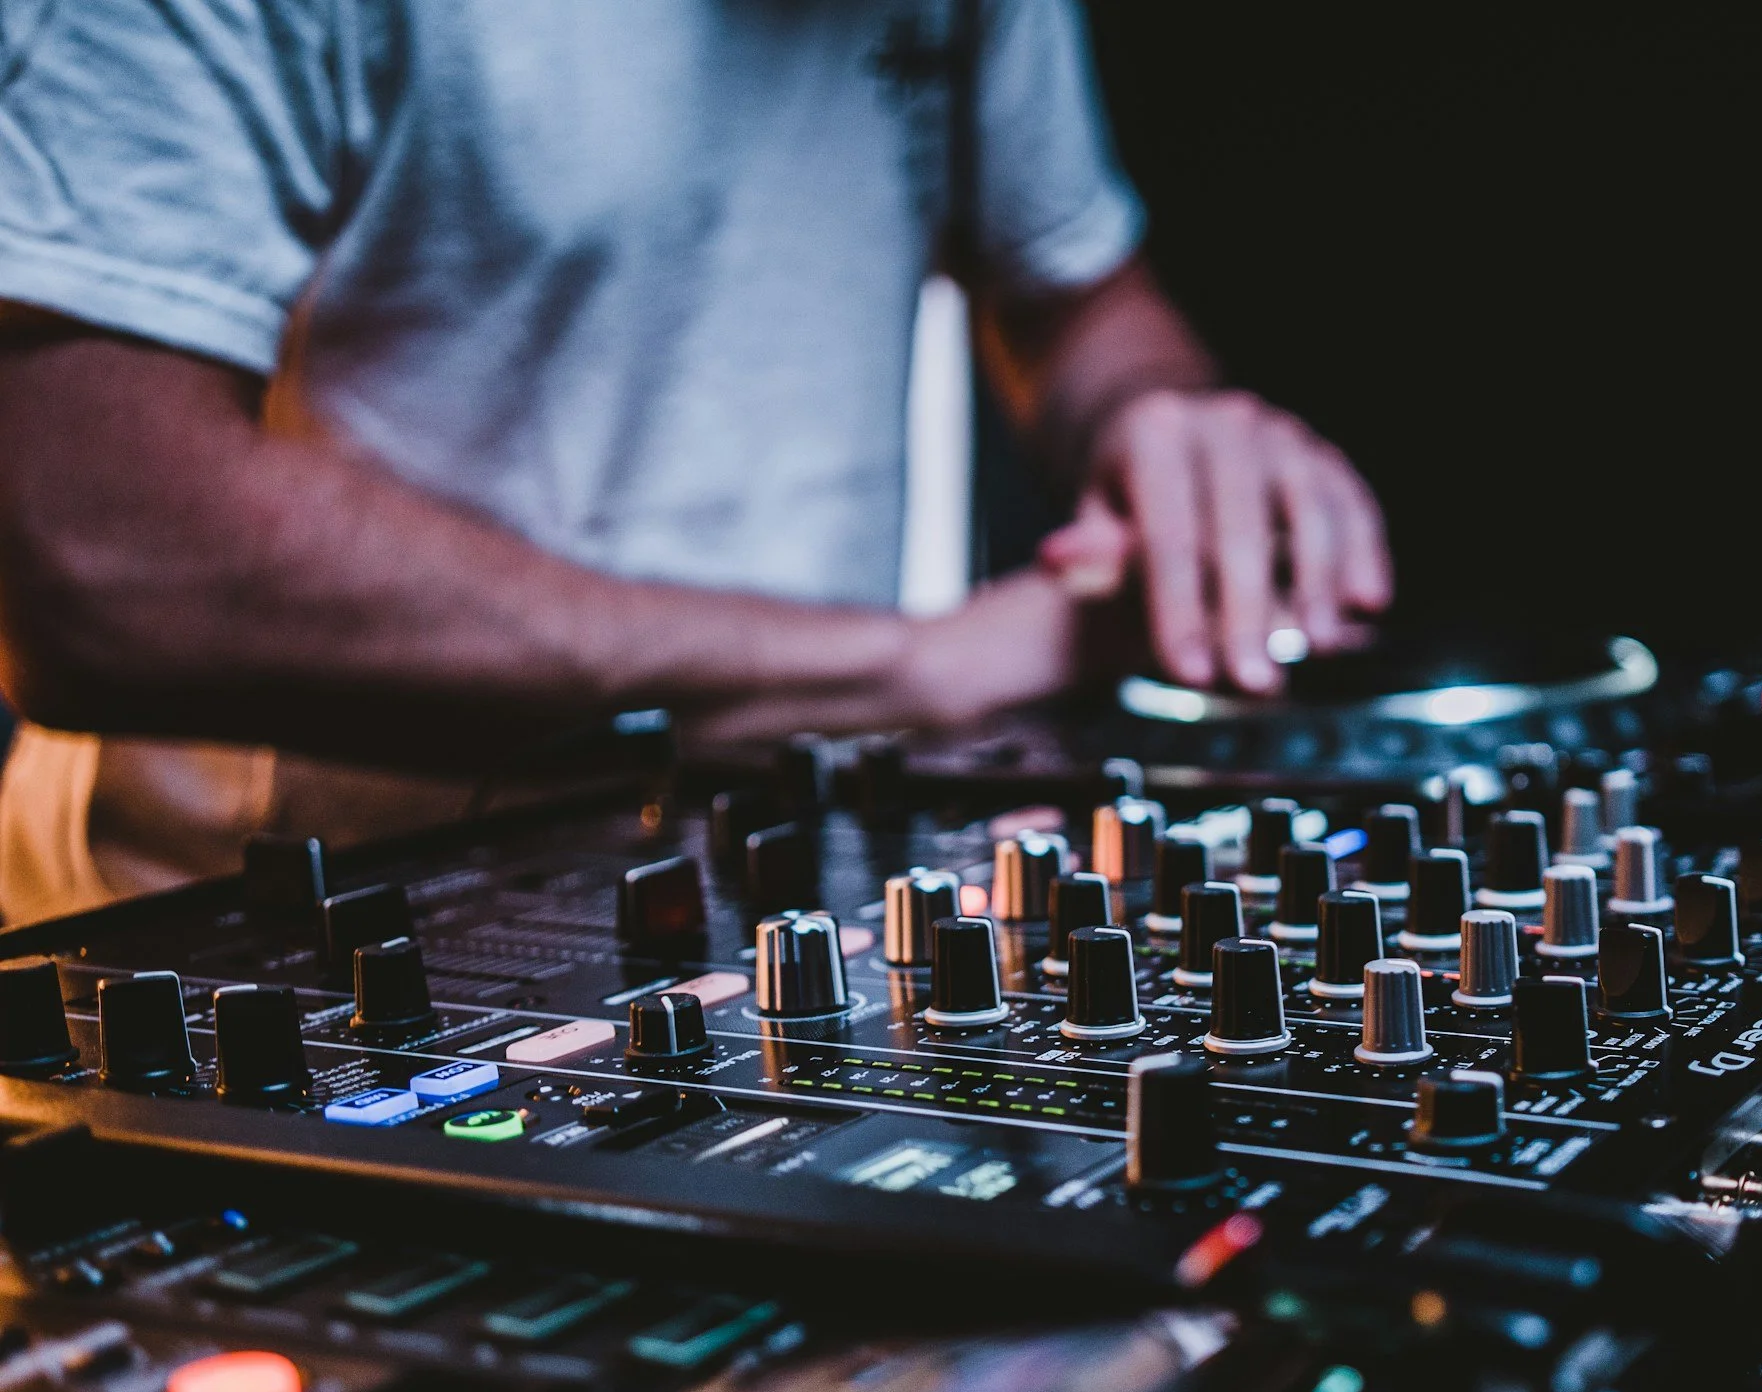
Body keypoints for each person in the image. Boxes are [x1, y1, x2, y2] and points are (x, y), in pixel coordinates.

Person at [0, 0, 1390, 922]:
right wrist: (906, 670)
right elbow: (106, 552)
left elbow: (1073, 286)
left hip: (768, 898)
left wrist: (1154, 412)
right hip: (282, 951)